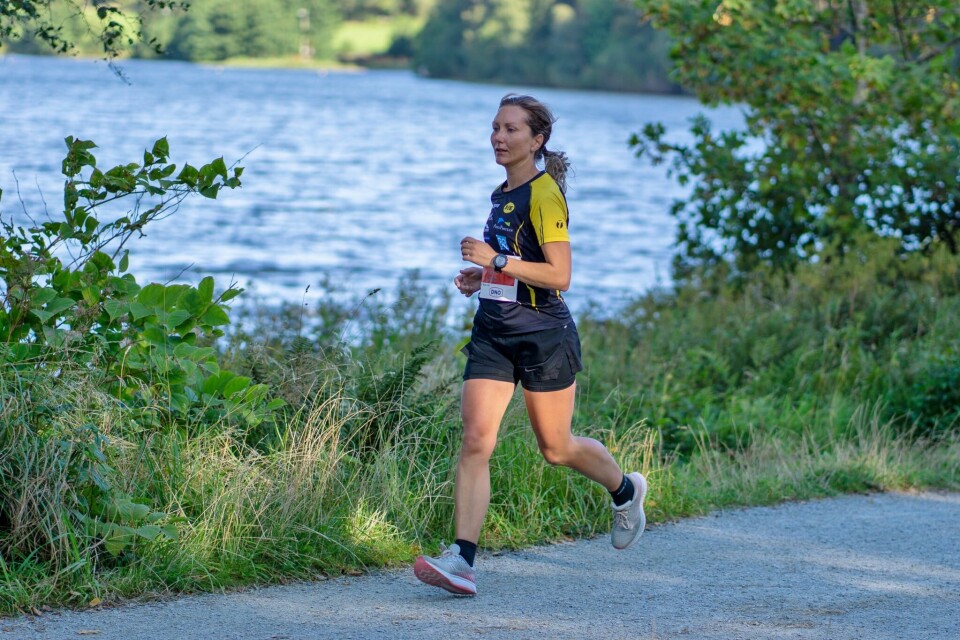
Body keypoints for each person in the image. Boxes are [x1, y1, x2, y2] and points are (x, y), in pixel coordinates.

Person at [413, 94, 647, 596]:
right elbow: (519, 265)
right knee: (476, 440)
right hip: (494, 331)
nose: (499, 137)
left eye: (511, 130)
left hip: (543, 334)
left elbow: (560, 276)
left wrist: (496, 261)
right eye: (495, 128)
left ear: (536, 140)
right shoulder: (501, 194)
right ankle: (462, 561)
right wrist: (485, 278)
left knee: (555, 448)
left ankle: (625, 490)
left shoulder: (544, 195)